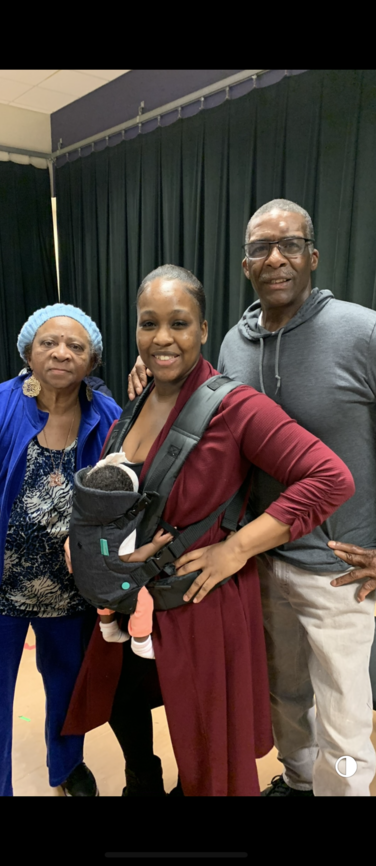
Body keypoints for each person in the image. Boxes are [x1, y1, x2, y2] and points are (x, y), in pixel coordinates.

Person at [62, 264, 355, 797]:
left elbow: (330, 478)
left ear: (202, 329)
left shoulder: (236, 407)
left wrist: (236, 549)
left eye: (178, 323)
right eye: (149, 323)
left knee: (208, 753)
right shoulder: (134, 405)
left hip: (199, 605)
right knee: (123, 700)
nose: (162, 338)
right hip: (134, 603)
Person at [128, 201, 376, 797]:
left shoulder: (362, 332)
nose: (275, 258)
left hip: (340, 566)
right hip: (260, 561)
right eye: (261, 248)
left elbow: (328, 475)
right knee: (285, 697)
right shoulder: (233, 345)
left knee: (344, 719)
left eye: (290, 245)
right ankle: (297, 780)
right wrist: (156, 369)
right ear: (245, 265)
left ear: (313, 256)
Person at [0, 302, 121, 797]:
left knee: (67, 690)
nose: (61, 352)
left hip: (70, 594)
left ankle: (66, 768)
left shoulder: (108, 418)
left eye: (76, 346)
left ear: (92, 360)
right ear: (28, 352)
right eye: (49, 342)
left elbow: (119, 500)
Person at [78, 453, 173, 658]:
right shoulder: (119, 530)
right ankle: (141, 642)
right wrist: (155, 545)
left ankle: (108, 628)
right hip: (114, 582)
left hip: (89, 580)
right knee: (142, 599)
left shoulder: (85, 515)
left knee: (102, 598)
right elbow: (130, 557)